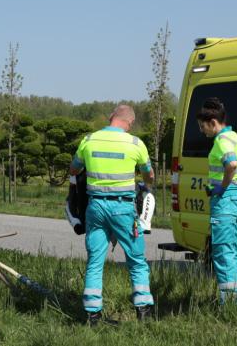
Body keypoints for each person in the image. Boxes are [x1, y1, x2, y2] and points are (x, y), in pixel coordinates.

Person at [69, 105, 155, 325]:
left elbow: (74, 169)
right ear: (130, 123)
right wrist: (145, 181)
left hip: (95, 208)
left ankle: (92, 315)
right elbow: (149, 176)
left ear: (111, 118)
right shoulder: (136, 144)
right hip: (123, 208)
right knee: (136, 259)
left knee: (95, 262)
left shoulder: (89, 140)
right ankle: (144, 312)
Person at [196, 97, 237, 306]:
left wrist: (223, 186)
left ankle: (228, 304)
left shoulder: (221, 140)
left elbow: (230, 164)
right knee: (232, 251)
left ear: (213, 123)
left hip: (226, 201)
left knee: (222, 253)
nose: (202, 131)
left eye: (203, 127)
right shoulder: (234, 136)